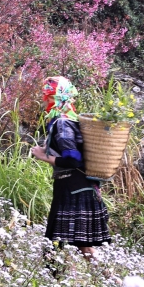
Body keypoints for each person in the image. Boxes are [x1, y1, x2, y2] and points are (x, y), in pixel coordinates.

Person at [31, 75, 111, 258]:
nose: (44, 100)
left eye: (47, 96)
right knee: (79, 246)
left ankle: (115, 283)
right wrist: (47, 149)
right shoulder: (71, 120)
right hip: (78, 187)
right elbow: (68, 148)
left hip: (74, 189)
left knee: (58, 244)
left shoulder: (62, 123)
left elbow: (73, 159)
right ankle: (110, 282)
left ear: (54, 99)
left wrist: (44, 157)